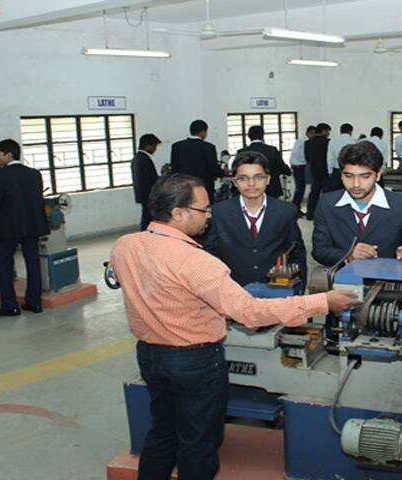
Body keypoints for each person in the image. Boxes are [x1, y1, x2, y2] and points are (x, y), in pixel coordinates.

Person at [110, 173, 360, 480]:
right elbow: (249, 312)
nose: (209, 215)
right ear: (178, 213)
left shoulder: (125, 246)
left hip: (150, 356)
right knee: (198, 442)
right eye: (203, 209)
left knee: (163, 430)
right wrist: (322, 302)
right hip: (193, 362)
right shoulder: (195, 262)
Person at [312, 141, 402, 267]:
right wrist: (348, 256)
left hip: (388, 276)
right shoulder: (327, 203)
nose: (356, 184)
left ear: (378, 175)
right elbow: (319, 251)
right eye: (349, 176)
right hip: (343, 278)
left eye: (365, 176)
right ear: (341, 175)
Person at [202, 151, 307, 291]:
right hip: (234, 290)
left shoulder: (285, 211)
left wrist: (298, 288)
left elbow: (297, 252)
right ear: (235, 182)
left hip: (276, 288)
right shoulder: (218, 213)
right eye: (243, 178)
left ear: (268, 179)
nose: (251, 184)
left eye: (258, 177)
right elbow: (210, 255)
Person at [0, 139, 50, 316]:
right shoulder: (34, 174)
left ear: (8, 155)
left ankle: (10, 306)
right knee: (33, 263)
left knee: (2, 265)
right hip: (32, 227)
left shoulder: (0, 175)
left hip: (8, 229)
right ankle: (34, 302)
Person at [170, 119, 225, 202]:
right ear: (203, 132)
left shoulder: (177, 146)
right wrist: (223, 173)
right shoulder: (209, 147)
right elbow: (213, 169)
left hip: (183, 187)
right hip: (204, 187)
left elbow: (174, 169)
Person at [237, 125, 291, 199]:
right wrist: (288, 171)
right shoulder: (272, 150)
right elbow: (281, 167)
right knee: (272, 206)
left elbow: (238, 171)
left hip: (250, 188)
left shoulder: (242, 152)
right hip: (272, 188)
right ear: (263, 135)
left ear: (248, 136)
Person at [131, 133, 161, 231]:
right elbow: (151, 179)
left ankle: (145, 233)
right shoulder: (144, 159)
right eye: (154, 146)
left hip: (142, 194)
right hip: (148, 194)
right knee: (148, 218)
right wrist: (163, 176)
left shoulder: (137, 158)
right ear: (147, 146)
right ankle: (146, 234)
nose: (155, 149)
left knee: (146, 216)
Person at [304, 123, 332, 220]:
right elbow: (330, 157)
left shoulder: (308, 143)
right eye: (328, 131)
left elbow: (307, 158)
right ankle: (326, 215)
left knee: (314, 192)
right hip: (325, 171)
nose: (328, 133)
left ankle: (310, 214)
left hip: (314, 170)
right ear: (323, 131)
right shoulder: (328, 142)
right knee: (327, 194)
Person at [289, 125, 315, 216]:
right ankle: (294, 209)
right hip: (298, 166)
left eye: (314, 134)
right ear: (307, 133)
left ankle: (296, 208)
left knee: (301, 188)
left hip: (301, 165)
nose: (313, 135)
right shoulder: (302, 141)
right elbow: (297, 153)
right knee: (300, 188)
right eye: (311, 133)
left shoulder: (306, 141)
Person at [326, 123, 356, 192]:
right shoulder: (353, 141)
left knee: (335, 192)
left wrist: (329, 171)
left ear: (340, 131)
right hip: (349, 170)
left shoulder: (332, 141)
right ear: (350, 131)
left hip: (336, 171)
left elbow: (330, 157)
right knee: (348, 191)